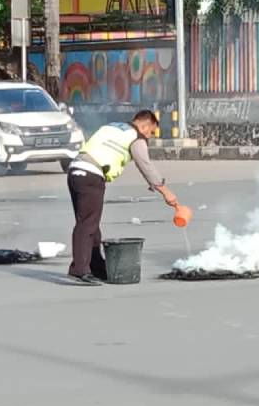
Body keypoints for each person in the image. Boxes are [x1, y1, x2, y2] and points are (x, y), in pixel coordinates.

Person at [66, 110, 177, 286]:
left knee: (90, 224)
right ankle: (79, 270)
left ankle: (96, 267)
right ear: (144, 125)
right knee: (87, 223)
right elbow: (145, 164)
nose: (150, 136)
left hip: (75, 172)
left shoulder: (113, 127)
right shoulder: (135, 136)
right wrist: (166, 192)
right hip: (91, 175)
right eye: (151, 131)